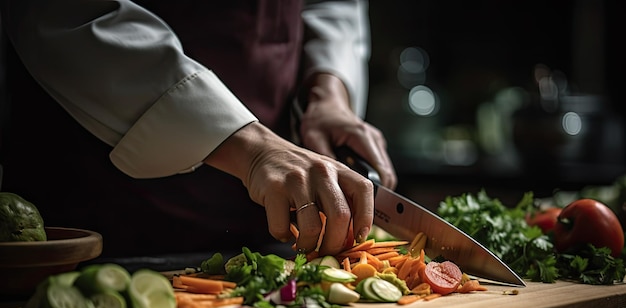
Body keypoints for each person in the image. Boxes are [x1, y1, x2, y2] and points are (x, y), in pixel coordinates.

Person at [0, 0, 397, 259]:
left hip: (267, 222)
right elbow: (66, 16)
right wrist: (255, 150)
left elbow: (333, 6)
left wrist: (328, 91)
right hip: (107, 198)